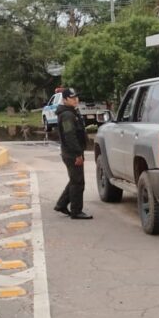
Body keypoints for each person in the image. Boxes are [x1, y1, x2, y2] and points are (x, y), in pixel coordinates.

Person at [53, 88, 93, 220]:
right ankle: (76, 211)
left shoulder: (71, 112)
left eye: (76, 97)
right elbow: (70, 136)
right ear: (65, 100)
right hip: (72, 153)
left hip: (72, 152)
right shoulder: (67, 115)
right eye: (72, 98)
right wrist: (77, 154)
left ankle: (61, 204)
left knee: (74, 180)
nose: (76, 100)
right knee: (78, 182)